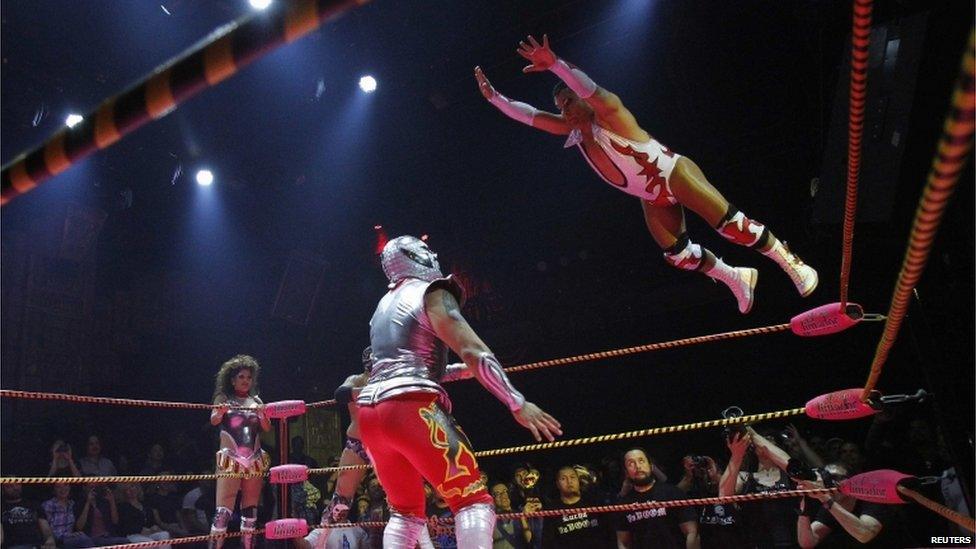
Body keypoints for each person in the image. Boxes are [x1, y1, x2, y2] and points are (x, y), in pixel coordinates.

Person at [475, 35, 818, 313]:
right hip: (651, 196)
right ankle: (735, 276)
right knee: (678, 256)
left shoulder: (609, 113)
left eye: (569, 102)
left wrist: (557, 67)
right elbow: (530, 115)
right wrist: (495, 99)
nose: (564, 110)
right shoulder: (574, 133)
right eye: (560, 107)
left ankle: (790, 261)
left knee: (731, 226)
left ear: (583, 102)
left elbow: (589, 88)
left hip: (673, 174)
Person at [355, 235, 562, 547]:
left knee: (406, 512)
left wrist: (454, 371)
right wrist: (516, 401)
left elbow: (404, 364)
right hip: (411, 410)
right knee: (473, 501)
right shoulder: (433, 292)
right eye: (425, 249)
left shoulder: (383, 305)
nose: (434, 253)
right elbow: (473, 350)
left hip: (370, 415)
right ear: (414, 257)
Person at [316, 347, 435, 549]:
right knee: (340, 501)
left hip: (387, 444)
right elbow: (340, 394)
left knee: (406, 499)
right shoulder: (356, 380)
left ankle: (426, 545)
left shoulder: (392, 380)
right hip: (358, 444)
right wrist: (375, 391)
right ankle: (320, 542)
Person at [208, 355, 271, 549]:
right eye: (241, 377)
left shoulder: (256, 400)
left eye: (249, 378)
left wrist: (262, 414)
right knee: (222, 513)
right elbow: (214, 420)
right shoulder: (223, 398)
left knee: (250, 513)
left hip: (254, 458)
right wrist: (220, 411)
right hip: (231, 457)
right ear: (232, 379)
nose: (245, 381)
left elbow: (266, 428)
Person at [795, 463, 912, 547]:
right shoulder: (830, 504)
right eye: (827, 478)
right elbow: (808, 543)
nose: (831, 483)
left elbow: (864, 535)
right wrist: (803, 510)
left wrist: (824, 498)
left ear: (853, 481)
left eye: (836, 478)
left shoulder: (872, 497)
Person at [719, 429, 798, 548]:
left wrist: (752, 432)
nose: (764, 443)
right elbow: (724, 497)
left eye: (768, 440)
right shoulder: (745, 476)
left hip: (793, 541)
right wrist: (736, 455)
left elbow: (791, 465)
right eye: (761, 440)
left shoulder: (790, 474)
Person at [614, 448, 699, 549]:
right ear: (626, 472)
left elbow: (692, 533)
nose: (638, 466)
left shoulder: (672, 493)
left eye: (641, 460)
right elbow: (623, 543)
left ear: (650, 466)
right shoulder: (624, 504)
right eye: (631, 463)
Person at [541, 466, 614, 548]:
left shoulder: (593, 501)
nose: (569, 481)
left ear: (578, 480)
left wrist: (591, 483)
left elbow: (609, 530)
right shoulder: (552, 510)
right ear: (557, 484)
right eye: (563, 479)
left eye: (572, 477)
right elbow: (548, 542)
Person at [2, 481, 57, 549]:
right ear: (3, 488)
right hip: (13, 546)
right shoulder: (2, 507)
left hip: (36, 545)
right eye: (10, 486)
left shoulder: (33, 504)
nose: (15, 488)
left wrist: (49, 539)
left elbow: (45, 528)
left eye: (17, 484)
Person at [116, 483, 171, 549]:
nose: (131, 490)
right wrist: (140, 530)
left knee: (164, 534)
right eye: (127, 489)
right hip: (133, 535)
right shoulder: (122, 507)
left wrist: (154, 527)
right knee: (150, 543)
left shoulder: (145, 504)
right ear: (123, 492)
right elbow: (124, 525)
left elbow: (151, 521)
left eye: (132, 486)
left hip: (149, 532)